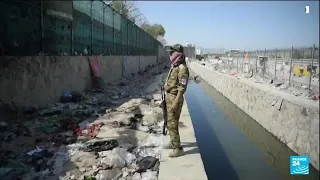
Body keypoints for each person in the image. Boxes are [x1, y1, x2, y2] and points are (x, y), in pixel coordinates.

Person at [163, 44, 190, 158]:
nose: (170, 55)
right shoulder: (175, 66)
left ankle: (178, 148)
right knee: (170, 122)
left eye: (172, 53)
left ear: (178, 54)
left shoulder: (182, 69)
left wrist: (175, 102)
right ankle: (173, 141)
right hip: (169, 97)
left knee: (173, 123)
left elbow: (182, 88)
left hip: (175, 98)